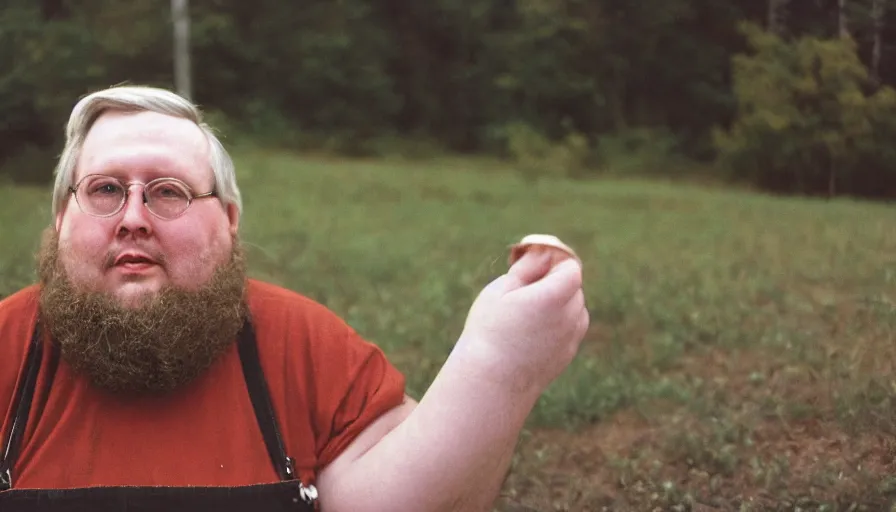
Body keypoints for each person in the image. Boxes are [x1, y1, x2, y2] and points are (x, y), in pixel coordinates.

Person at [0, 85, 589, 511]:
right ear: (60, 218)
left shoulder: (304, 344)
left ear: (229, 221)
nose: (133, 218)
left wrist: (498, 365)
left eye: (168, 192)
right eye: (104, 189)